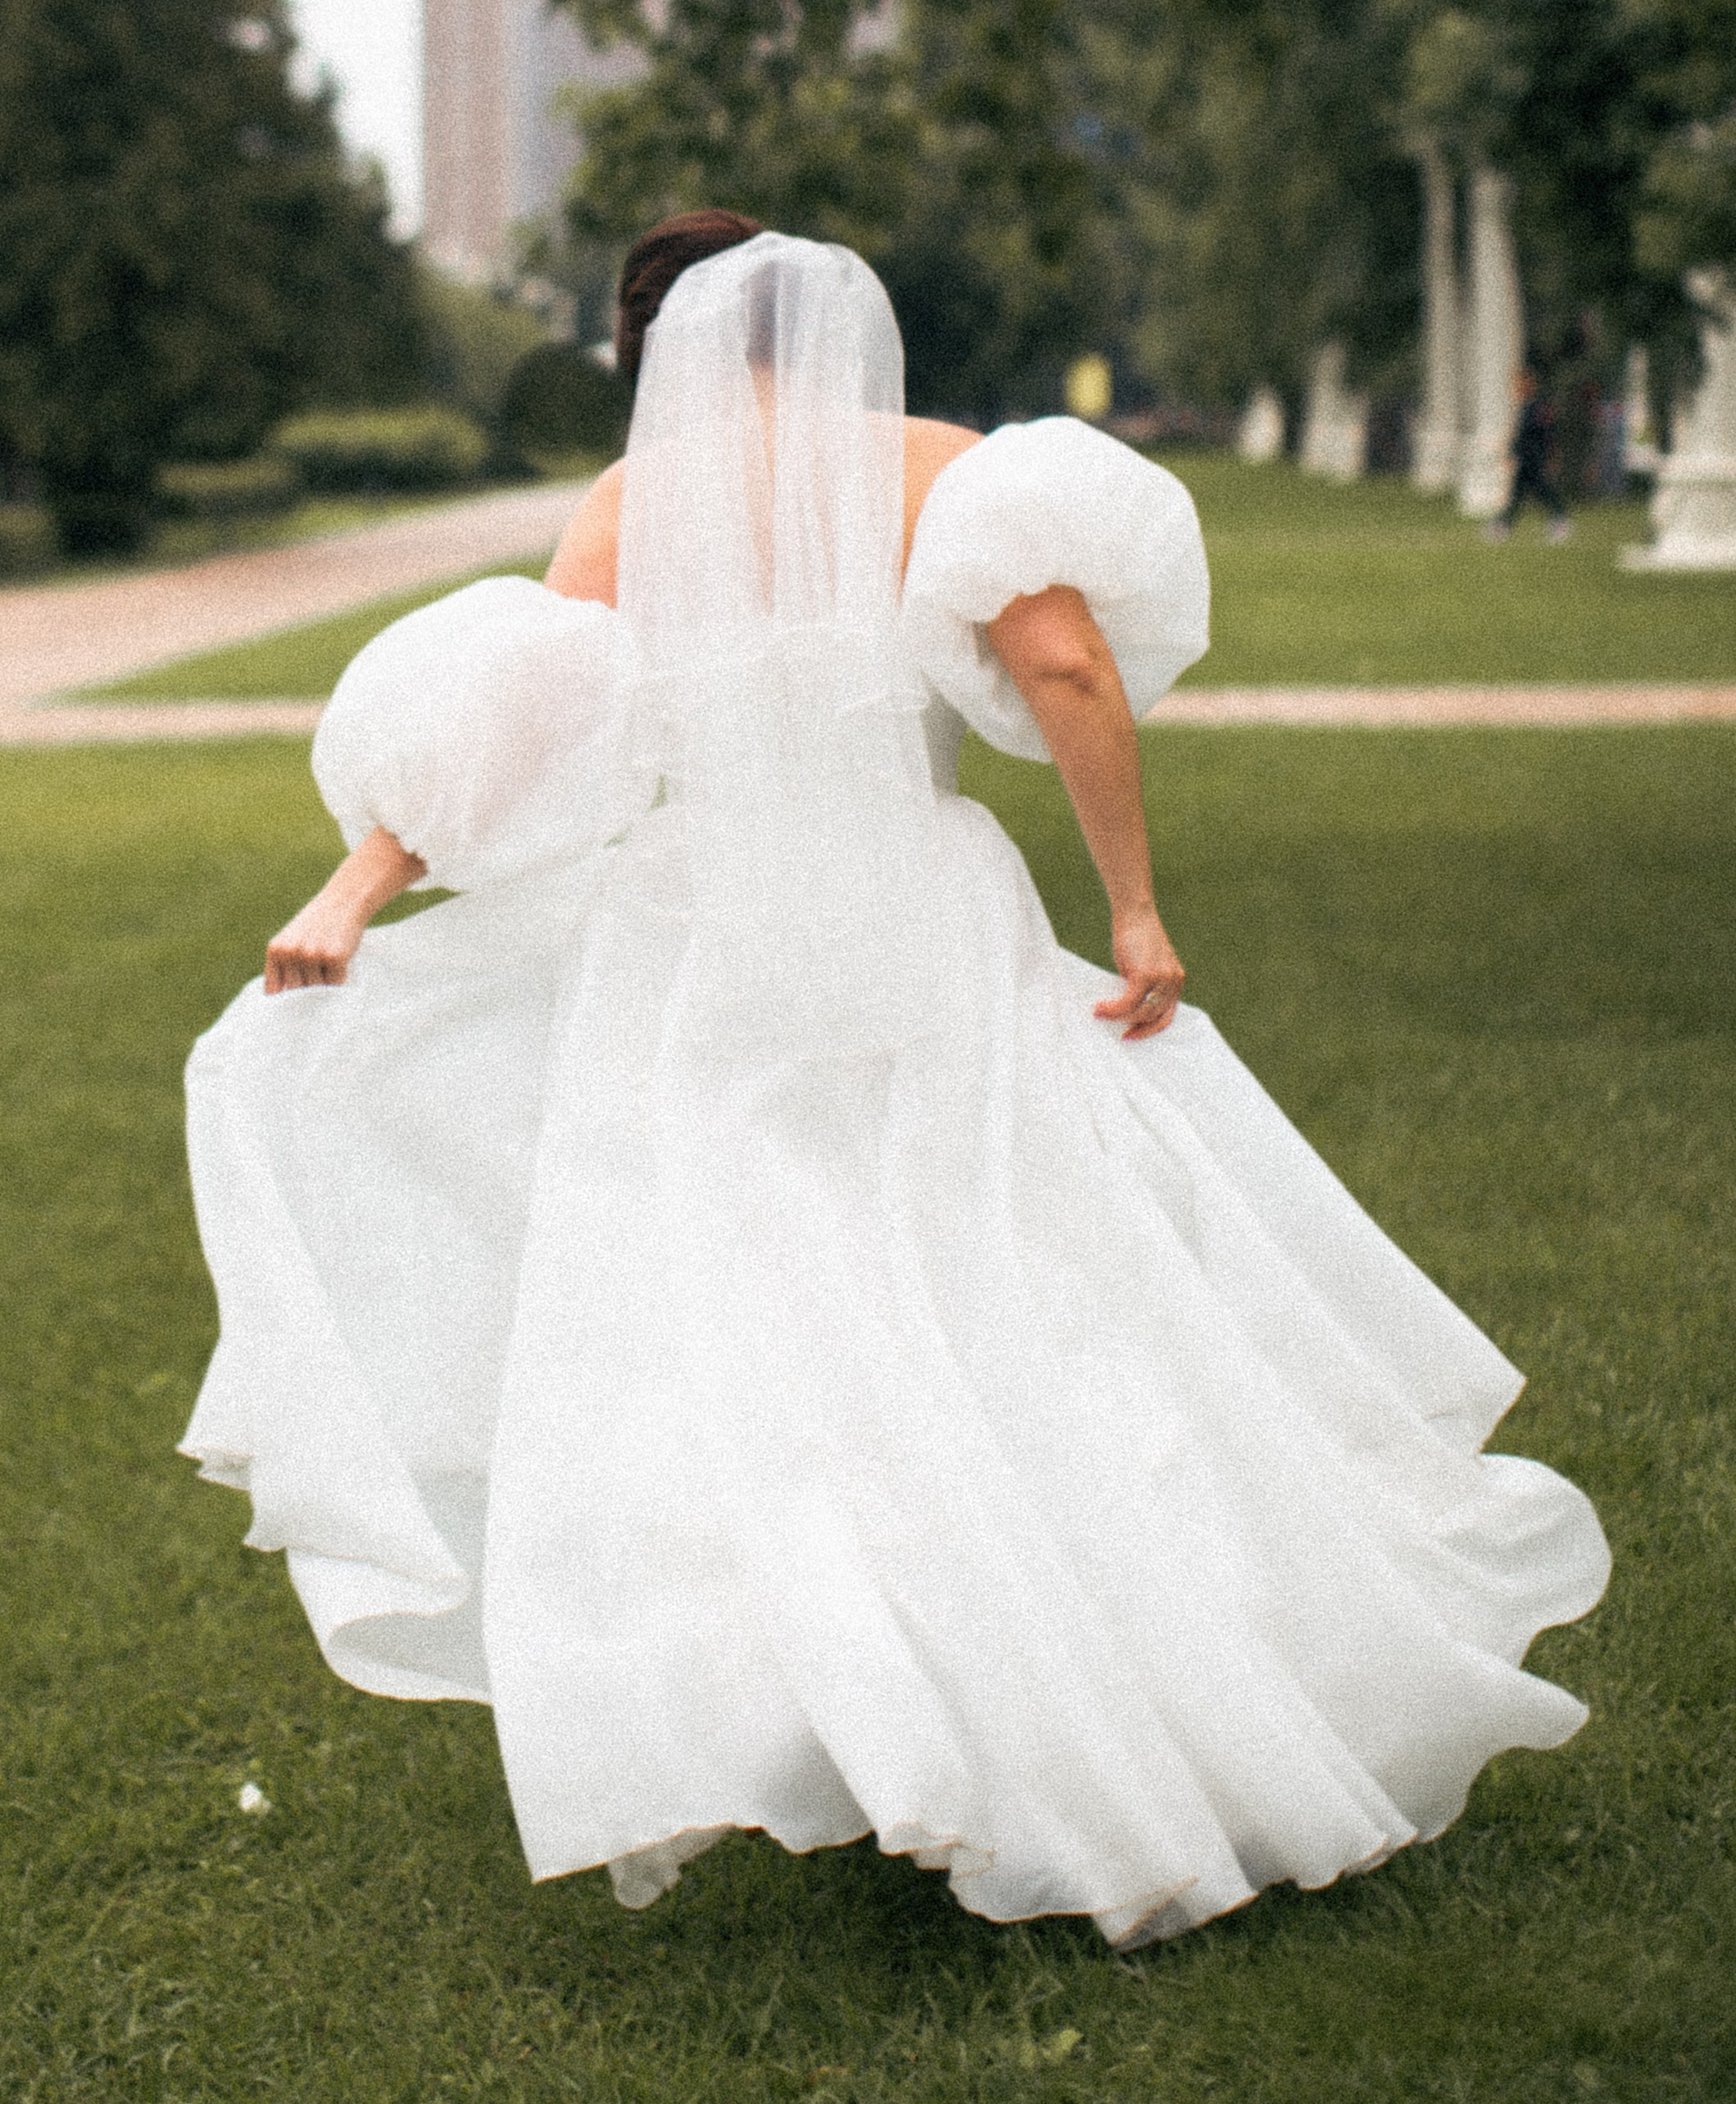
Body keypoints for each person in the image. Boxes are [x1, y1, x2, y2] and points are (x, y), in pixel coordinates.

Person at [180, 218, 1608, 1948]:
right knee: (1008, 1277)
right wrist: (1134, 910)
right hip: (917, 920)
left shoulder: (632, 508)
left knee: (755, 1317)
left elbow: (509, 725)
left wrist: (348, 894)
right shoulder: (949, 473)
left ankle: (853, 1697)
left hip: (699, 943)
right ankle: (1069, 1676)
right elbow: (1066, 670)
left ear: (665, 348)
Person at [1490, 370, 1573, 541]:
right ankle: (1504, 525)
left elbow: (1542, 433)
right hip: (1526, 457)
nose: (1516, 388)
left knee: (1540, 489)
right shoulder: (1526, 407)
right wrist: (1512, 451)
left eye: (1520, 384)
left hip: (1533, 457)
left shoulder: (1536, 407)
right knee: (1519, 492)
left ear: (1528, 385)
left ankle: (1560, 519)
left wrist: (1549, 455)